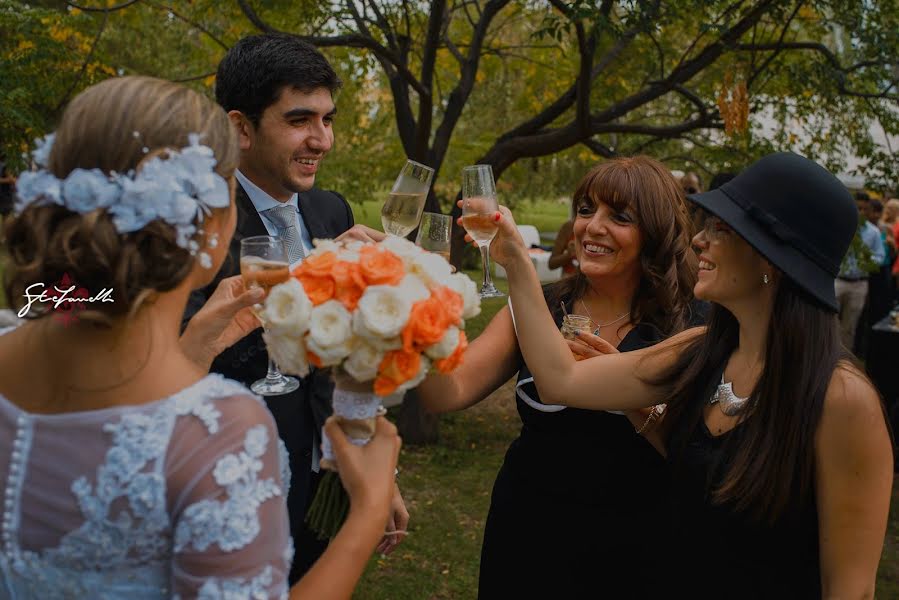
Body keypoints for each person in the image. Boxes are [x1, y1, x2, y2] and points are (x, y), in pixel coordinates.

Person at [0, 76, 401, 598]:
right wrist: (367, 511)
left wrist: (198, 349)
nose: (321, 137)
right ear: (213, 229)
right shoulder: (219, 432)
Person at [486, 152, 894, 598]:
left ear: (772, 261)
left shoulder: (842, 399)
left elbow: (851, 590)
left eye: (721, 229)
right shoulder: (700, 349)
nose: (698, 240)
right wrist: (518, 265)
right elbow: (559, 381)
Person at [419, 156, 699, 597]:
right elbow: (445, 393)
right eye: (586, 211)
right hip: (529, 532)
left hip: (636, 542)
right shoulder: (542, 306)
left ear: (655, 232)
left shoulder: (686, 326)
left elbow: (699, 453)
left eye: (619, 217)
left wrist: (623, 394)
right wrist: (414, 314)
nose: (592, 227)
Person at [184, 33, 408, 582]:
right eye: (300, 120)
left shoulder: (332, 212)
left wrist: (371, 473)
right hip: (226, 492)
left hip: (324, 482)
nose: (322, 140)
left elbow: (342, 358)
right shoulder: (193, 225)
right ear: (241, 127)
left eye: (328, 120)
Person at [836, 192, 885, 352]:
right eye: (858, 208)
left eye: (864, 209)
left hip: (859, 284)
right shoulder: (841, 225)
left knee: (850, 326)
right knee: (828, 320)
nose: (860, 212)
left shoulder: (873, 232)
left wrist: (867, 262)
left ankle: (842, 360)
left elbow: (880, 256)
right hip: (838, 280)